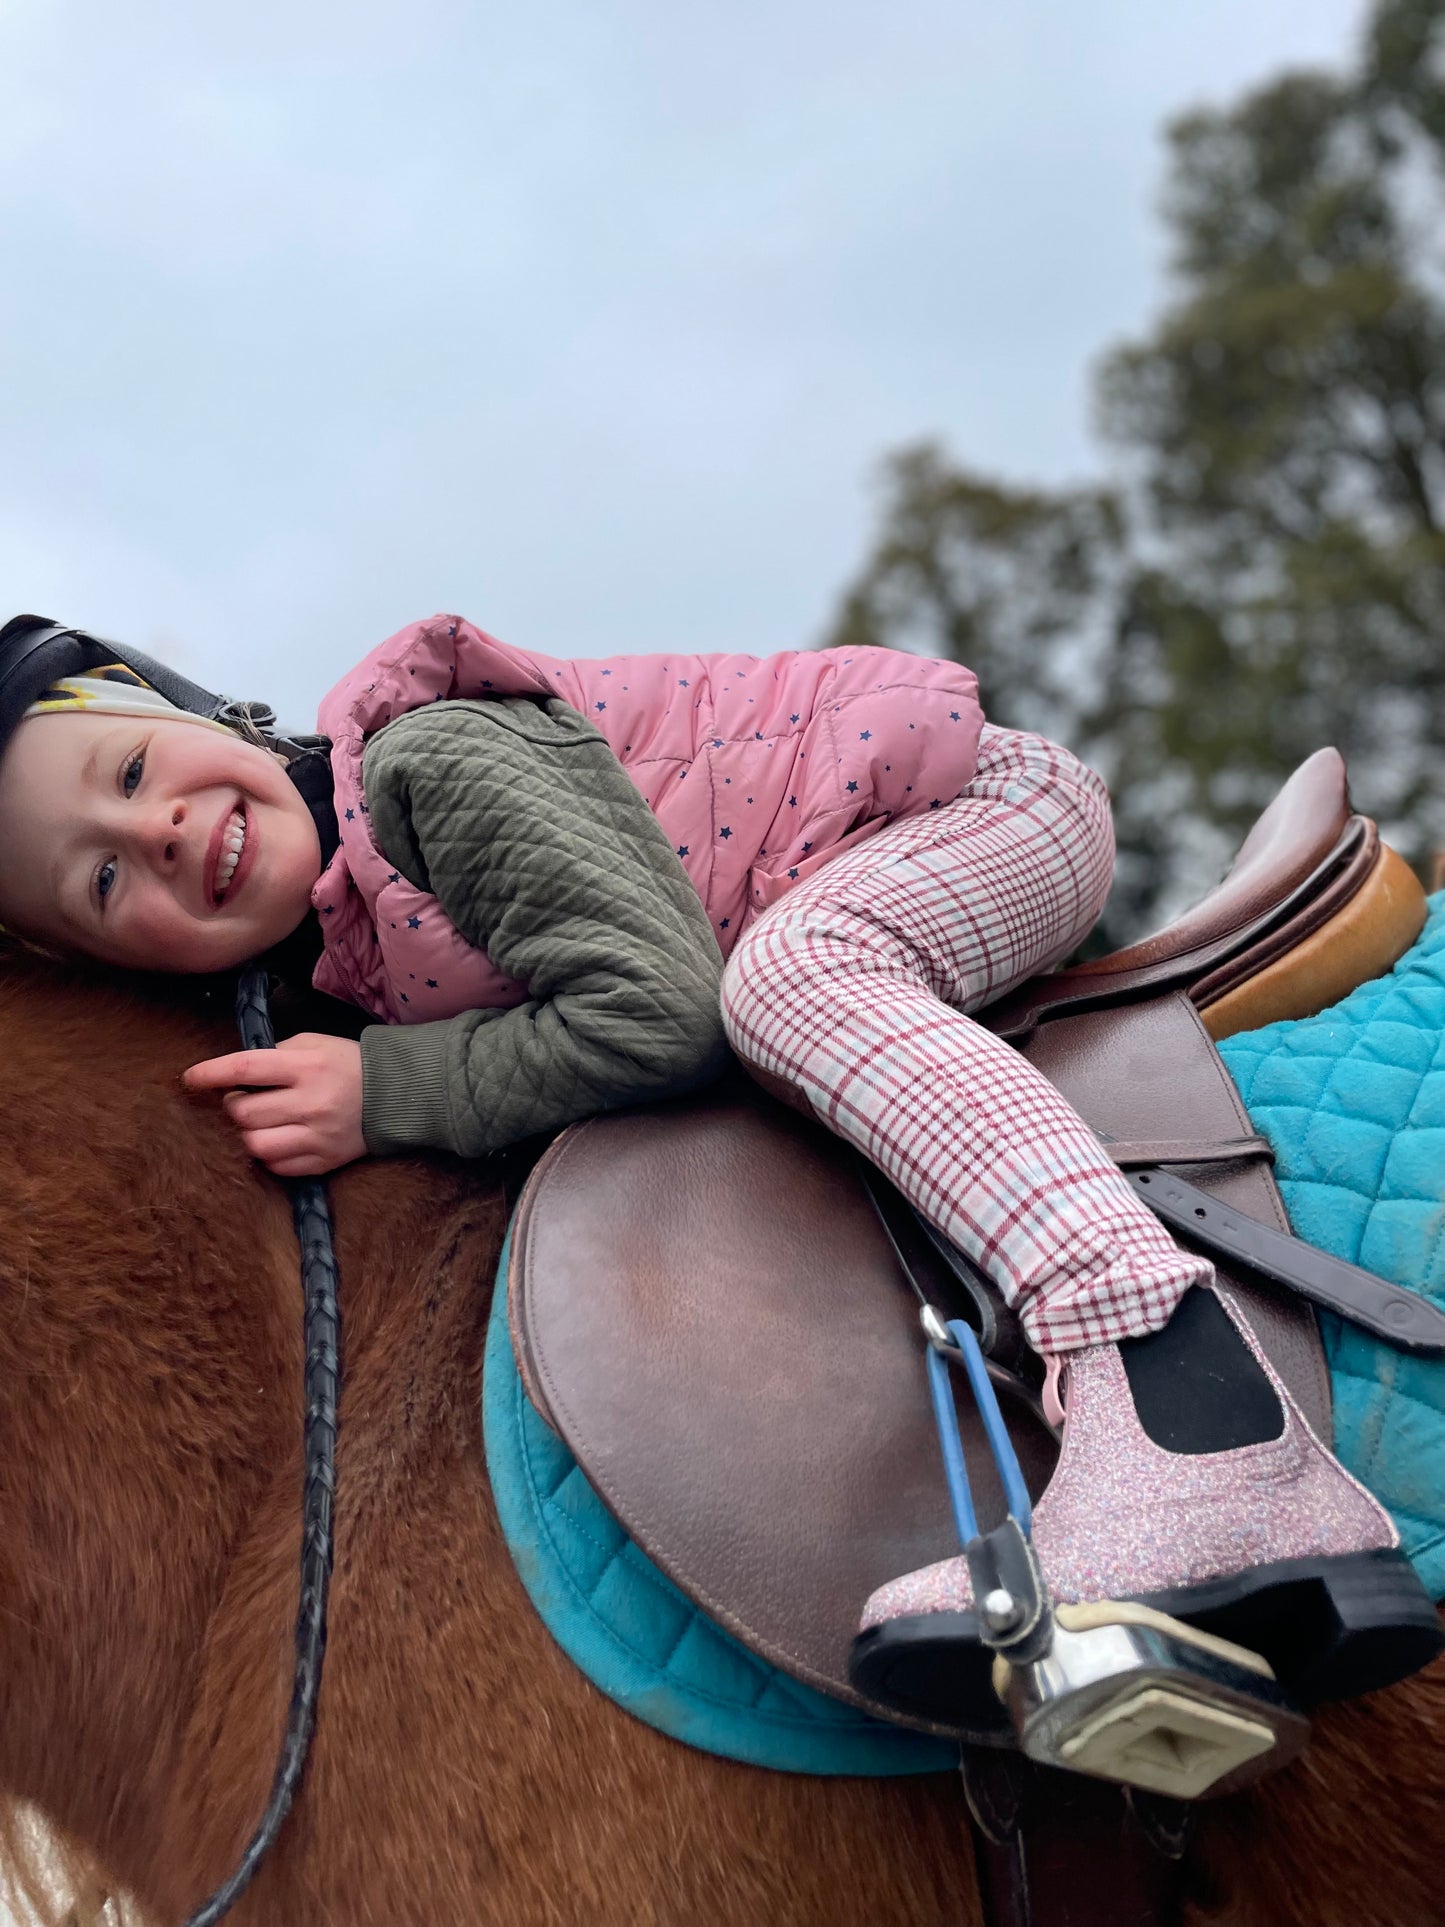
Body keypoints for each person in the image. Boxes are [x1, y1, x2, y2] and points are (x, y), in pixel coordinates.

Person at [0, 610, 1425, 1722]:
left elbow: (657, 1015)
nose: (158, 830)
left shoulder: (422, 772)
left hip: (970, 811)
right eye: (105, 879)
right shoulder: (357, 950)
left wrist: (391, 1091)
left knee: (793, 988)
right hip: (856, 861)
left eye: (128, 773)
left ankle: (1193, 1420)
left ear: (180, 709)